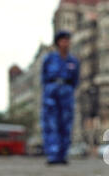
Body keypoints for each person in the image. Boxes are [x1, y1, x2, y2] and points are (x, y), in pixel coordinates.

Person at [41, 30, 80, 165]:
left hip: (67, 92)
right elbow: (44, 77)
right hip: (51, 92)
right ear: (58, 42)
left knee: (66, 124)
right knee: (51, 124)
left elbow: (75, 80)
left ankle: (62, 154)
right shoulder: (49, 59)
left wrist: (69, 90)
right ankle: (53, 155)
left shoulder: (73, 61)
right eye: (63, 40)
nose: (66, 43)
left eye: (67, 40)